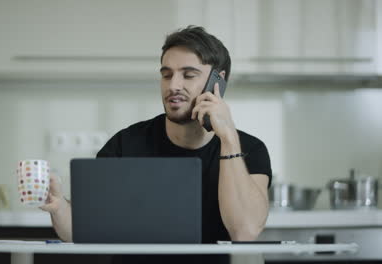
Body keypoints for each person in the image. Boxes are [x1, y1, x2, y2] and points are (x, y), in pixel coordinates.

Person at [40, 25, 272, 264]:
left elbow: (244, 232)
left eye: (189, 75)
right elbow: (84, 233)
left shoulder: (250, 149)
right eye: (167, 74)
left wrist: (229, 138)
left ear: (218, 81)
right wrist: (59, 208)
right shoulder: (125, 144)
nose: (173, 86)